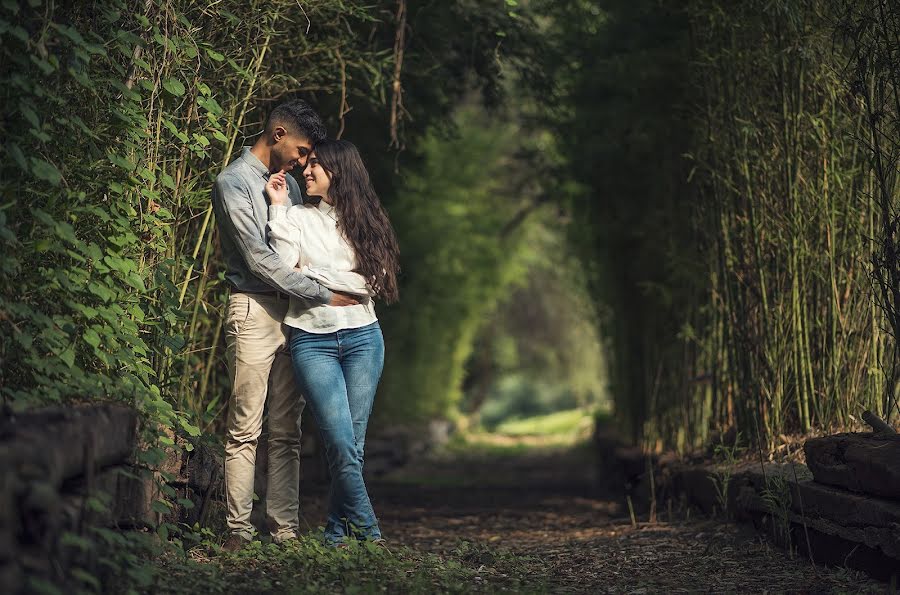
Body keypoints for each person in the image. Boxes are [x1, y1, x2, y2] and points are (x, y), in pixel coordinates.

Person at [212, 100, 363, 552]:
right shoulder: (232, 183)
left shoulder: (292, 190)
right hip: (255, 310)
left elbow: (301, 254)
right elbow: (259, 260)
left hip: (296, 315)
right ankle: (238, 531)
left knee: (287, 430)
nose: (303, 163)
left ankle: (285, 532)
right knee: (245, 427)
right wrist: (324, 293)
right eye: (299, 151)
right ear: (277, 135)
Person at [265, 139, 400, 546]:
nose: (306, 171)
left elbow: (372, 283)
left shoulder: (366, 220)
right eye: (306, 164)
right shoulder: (294, 217)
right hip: (311, 339)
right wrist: (275, 205)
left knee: (351, 449)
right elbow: (287, 270)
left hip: (364, 338)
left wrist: (318, 273)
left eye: (316, 166)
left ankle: (335, 536)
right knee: (340, 442)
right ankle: (371, 534)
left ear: (339, 171)